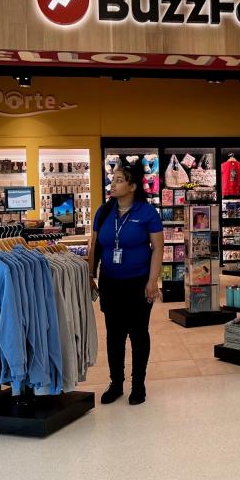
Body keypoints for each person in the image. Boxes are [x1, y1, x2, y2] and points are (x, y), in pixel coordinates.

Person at [88, 162, 164, 406]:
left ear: (132, 186)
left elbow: (158, 249)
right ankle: (116, 383)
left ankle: (138, 384)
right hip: (111, 281)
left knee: (138, 333)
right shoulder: (104, 212)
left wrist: (153, 281)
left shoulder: (147, 213)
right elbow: (96, 245)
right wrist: (90, 275)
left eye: (119, 180)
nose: (113, 183)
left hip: (138, 282)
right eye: (114, 179)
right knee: (114, 334)